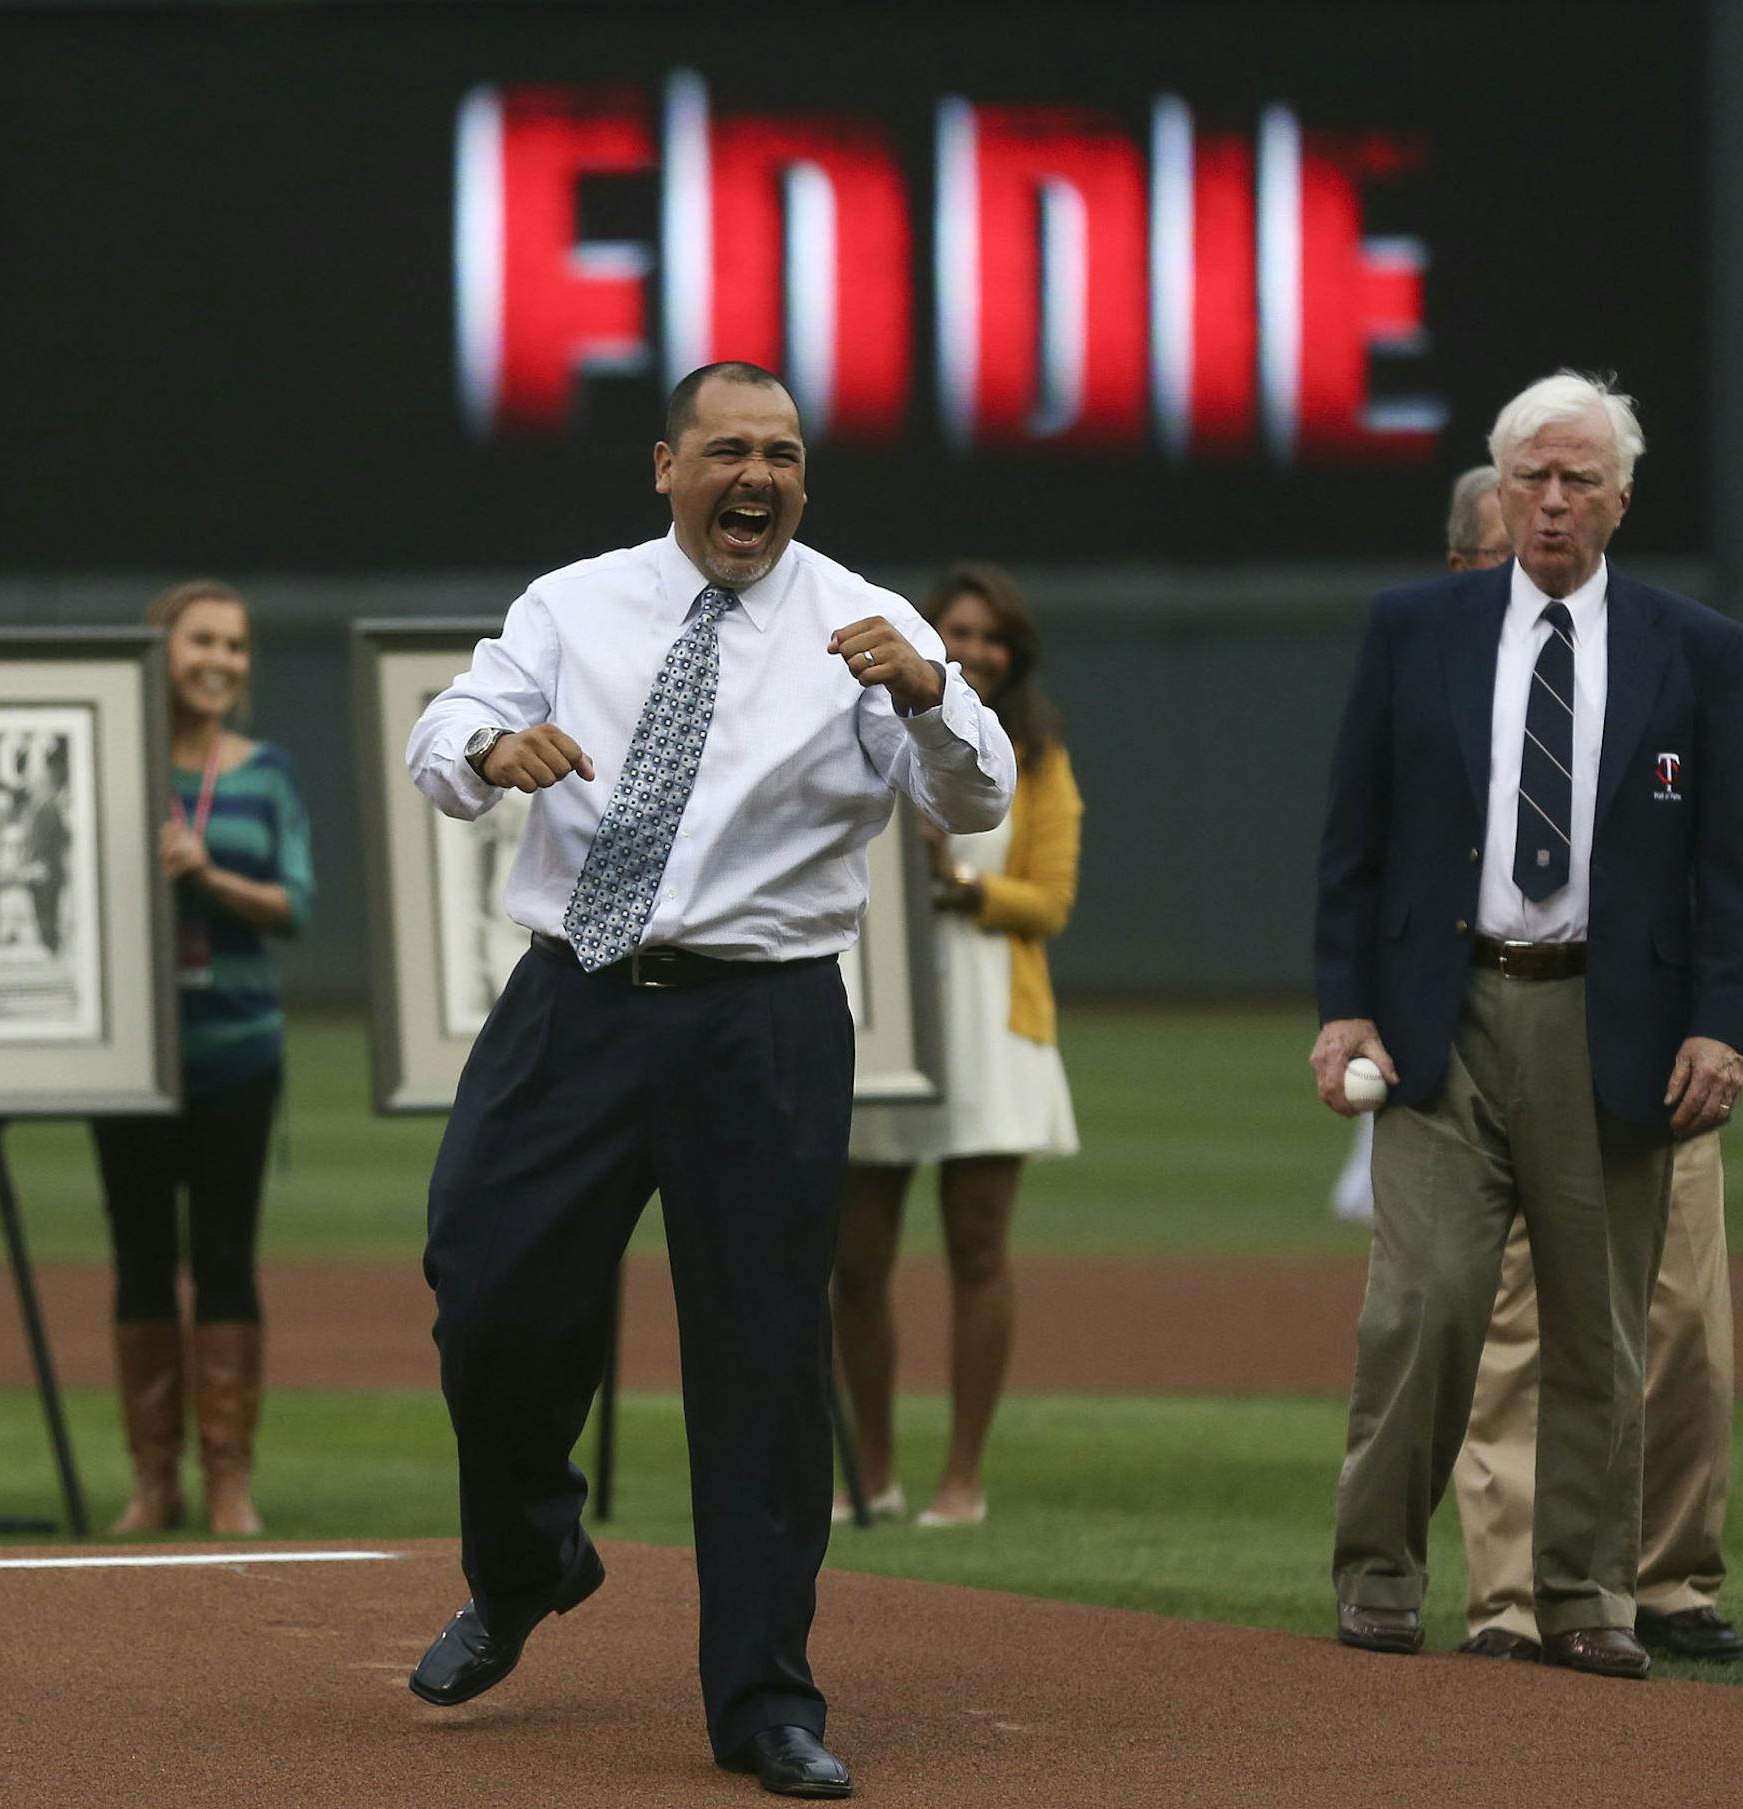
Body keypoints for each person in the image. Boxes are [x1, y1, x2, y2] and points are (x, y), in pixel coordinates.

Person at [402, 361, 1014, 1799]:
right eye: (730, 450)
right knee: (484, 1291)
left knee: (758, 1363)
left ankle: (765, 1700)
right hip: (579, 1002)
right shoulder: (574, 603)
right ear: (664, 465)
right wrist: (492, 745)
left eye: (785, 455)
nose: (760, 477)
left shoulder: (864, 621)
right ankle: (529, 1556)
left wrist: (933, 694)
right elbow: (441, 734)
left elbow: (973, 799)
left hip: (766, 1023)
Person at [1310, 371, 1743, 1680]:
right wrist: (1344, 1006)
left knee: (1602, 1327)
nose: (1553, 502)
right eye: (1531, 478)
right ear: (1498, 493)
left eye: (1578, 480)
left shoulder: (1699, 649)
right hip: (1439, 1015)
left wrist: (1723, 1025)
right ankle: (1381, 1572)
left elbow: (1735, 870)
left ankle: (1583, 1595)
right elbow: (1354, 842)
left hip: (1608, 1020)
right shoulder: (1417, 628)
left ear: (1621, 497)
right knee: (1428, 1303)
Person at [835, 560, 1082, 1529]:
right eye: (958, 632)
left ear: (1013, 654)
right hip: (880, 1013)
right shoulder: (873, 727)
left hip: (989, 1012)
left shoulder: (1038, 753)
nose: (974, 650)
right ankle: (874, 1473)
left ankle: (962, 1477)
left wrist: (963, 883)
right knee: (855, 1257)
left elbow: (1050, 902)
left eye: (991, 638)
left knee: (978, 1248)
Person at [90, 580, 315, 1537]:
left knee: (225, 1258)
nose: (220, 660)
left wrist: (209, 874)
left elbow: (296, 905)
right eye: (201, 643)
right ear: (160, 653)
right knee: (141, 1260)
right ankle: (153, 1481)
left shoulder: (265, 772)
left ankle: (228, 1479)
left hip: (236, 1051)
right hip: (132, 1058)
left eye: (235, 646)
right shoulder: (110, 767)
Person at [1327, 465, 1508, 1224]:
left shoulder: (1606, 667)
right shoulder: (1412, 660)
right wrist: (1351, 1004)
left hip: (1566, 998)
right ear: (1460, 565)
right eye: (1505, 549)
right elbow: (1357, 848)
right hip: (1439, 985)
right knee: (1435, 1287)